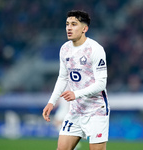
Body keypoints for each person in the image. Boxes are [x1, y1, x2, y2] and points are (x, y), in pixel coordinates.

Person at [42, 10, 110, 150]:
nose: (69, 28)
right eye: (67, 24)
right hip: (75, 111)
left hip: (96, 110)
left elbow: (101, 83)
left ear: (85, 28)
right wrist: (51, 102)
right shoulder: (64, 49)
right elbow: (62, 78)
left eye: (74, 24)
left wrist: (76, 94)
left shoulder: (95, 49)